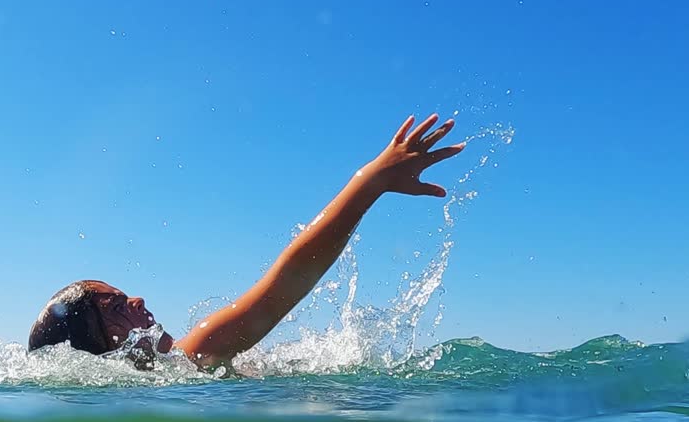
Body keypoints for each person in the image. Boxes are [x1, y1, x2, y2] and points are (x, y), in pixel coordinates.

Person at [28, 112, 465, 368]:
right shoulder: (190, 361)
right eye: (117, 307)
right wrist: (370, 182)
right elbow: (280, 289)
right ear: (103, 346)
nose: (138, 300)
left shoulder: (154, 387)